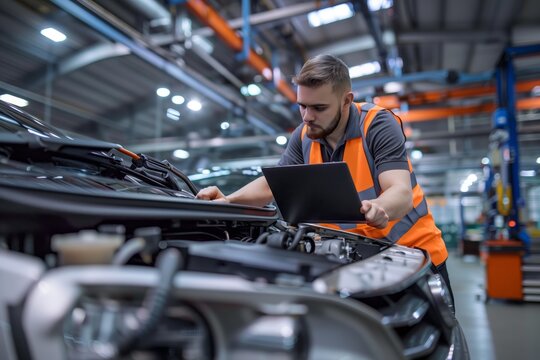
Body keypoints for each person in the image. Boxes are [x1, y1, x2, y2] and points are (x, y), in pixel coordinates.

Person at [196, 54, 452, 299]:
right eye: (302, 106)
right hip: (351, 262)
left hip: (412, 258)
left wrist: (380, 207)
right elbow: (274, 185)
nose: (307, 117)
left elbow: (400, 192)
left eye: (319, 107)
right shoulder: (303, 135)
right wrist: (229, 201)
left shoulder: (377, 125)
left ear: (346, 100)